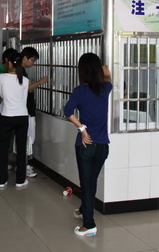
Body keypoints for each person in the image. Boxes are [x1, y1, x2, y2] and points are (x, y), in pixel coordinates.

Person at [63, 53, 112, 237]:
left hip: (86, 146)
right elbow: (108, 77)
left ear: (82, 71)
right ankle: (84, 210)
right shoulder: (105, 88)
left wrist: (82, 129)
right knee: (92, 180)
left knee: (87, 182)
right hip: (103, 146)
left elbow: (68, 111)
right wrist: (105, 70)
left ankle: (89, 225)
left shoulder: (80, 91)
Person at [0, 53, 29, 188]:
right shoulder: (25, 80)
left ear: (9, 63)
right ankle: (20, 180)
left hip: (7, 115)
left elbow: (2, 95)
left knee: (3, 148)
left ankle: (2, 180)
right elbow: (24, 100)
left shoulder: (1, 77)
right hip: (22, 116)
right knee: (21, 149)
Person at [20, 46, 48, 178]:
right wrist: (40, 82)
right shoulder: (20, 72)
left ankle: (22, 165)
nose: (33, 63)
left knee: (25, 140)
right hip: (26, 111)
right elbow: (25, 89)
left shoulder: (21, 71)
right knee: (27, 139)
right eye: (32, 60)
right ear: (25, 58)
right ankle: (24, 167)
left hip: (25, 110)